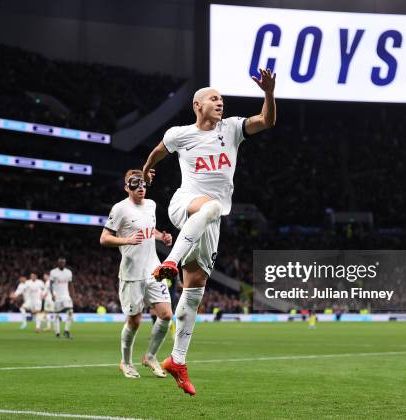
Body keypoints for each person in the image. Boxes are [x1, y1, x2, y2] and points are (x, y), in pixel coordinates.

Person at [141, 68, 276, 395]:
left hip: (208, 222)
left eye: (222, 99)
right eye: (214, 98)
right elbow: (159, 150)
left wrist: (269, 93)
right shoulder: (180, 134)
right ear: (197, 105)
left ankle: (177, 360)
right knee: (211, 206)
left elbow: (266, 121)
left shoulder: (231, 129)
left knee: (196, 289)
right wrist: (147, 170)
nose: (220, 103)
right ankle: (169, 261)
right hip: (185, 203)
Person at [100, 169, 174, 379]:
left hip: (153, 270)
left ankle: (150, 356)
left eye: (143, 184)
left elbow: (150, 230)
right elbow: (104, 238)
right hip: (132, 273)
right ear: (127, 187)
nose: (141, 188)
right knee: (135, 321)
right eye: (135, 185)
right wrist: (127, 240)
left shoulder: (151, 205)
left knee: (166, 315)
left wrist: (162, 237)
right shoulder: (120, 209)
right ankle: (125, 362)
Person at [47, 258, 74, 339]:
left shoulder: (68, 272)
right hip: (57, 296)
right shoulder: (53, 272)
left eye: (63, 262)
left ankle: (66, 331)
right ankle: (57, 332)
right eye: (61, 262)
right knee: (56, 314)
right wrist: (52, 294)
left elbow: (70, 284)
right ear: (58, 263)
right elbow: (51, 284)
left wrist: (72, 295)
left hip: (66, 296)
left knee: (70, 311)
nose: (62, 264)